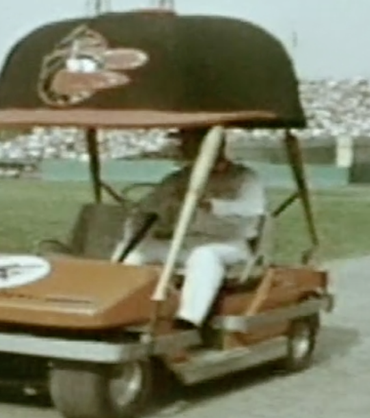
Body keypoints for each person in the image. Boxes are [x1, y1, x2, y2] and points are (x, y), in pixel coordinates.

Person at [114, 128, 266, 332]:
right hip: (185, 242)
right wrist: (161, 207)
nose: (182, 147)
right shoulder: (178, 179)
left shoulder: (244, 178)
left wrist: (213, 205)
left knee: (204, 256)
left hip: (229, 244)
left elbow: (252, 209)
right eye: (182, 142)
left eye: (188, 141)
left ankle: (187, 320)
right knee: (138, 253)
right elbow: (148, 205)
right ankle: (121, 309)